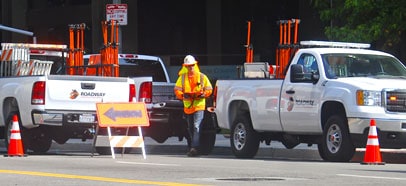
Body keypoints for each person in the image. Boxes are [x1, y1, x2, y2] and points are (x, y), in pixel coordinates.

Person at [174, 55, 213, 157]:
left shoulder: (202, 77)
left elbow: (209, 89)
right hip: (188, 107)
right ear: (185, 67)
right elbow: (177, 89)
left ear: (195, 65)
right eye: (188, 66)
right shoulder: (182, 78)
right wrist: (182, 95)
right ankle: (194, 146)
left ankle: (194, 148)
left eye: (191, 65)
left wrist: (204, 94)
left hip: (199, 105)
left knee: (196, 126)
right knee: (190, 128)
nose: (190, 67)